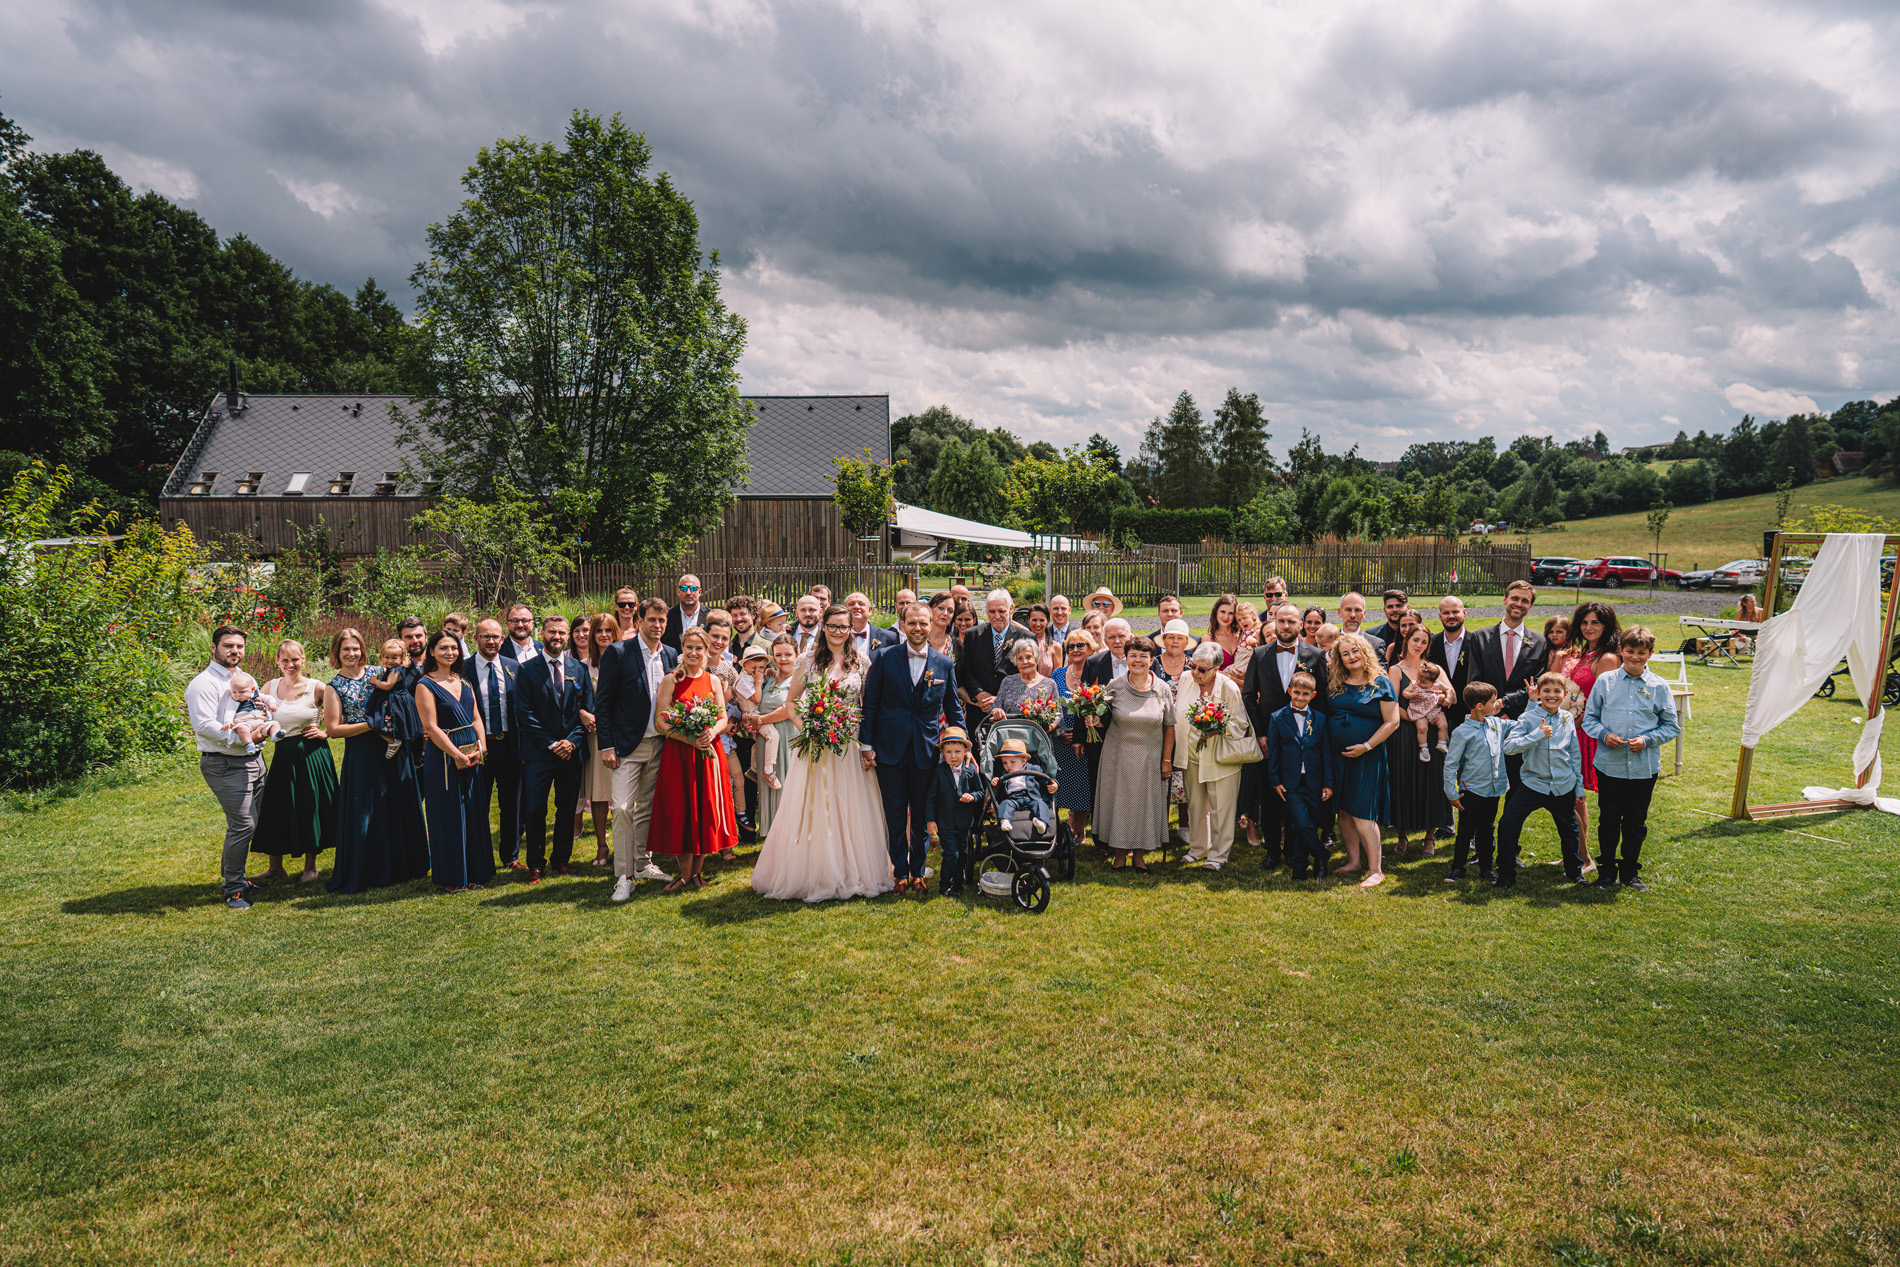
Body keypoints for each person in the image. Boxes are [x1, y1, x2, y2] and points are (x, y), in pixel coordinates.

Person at [753, 605, 899, 902]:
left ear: (850, 629)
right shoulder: (806, 660)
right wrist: (807, 728)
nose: (837, 632)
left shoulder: (862, 662)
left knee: (852, 804)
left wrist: (866, 744)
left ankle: (853, 869)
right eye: (832, 626)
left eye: (843, 627)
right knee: (816, 803)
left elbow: (868, 706)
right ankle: (814, 870)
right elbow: (792, 702)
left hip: (849, 743)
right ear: (823, 627)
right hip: (815, 744)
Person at [860, 602, 966, 893]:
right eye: (912, 623)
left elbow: (954, 709)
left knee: (921, 815)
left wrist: (964, 745)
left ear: (931, 625)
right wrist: (866, 744)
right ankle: (899, 873)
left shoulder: (944, 664)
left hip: (927, 750)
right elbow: (870, 704)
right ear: (903, 625)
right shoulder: (884, 657)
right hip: (889, 749)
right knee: (894, 815)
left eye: (923, 623)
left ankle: (918, 872)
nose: (918, 628)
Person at [1582, 626, 1679, 891]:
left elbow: (1671, 726)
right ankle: (1606, 872)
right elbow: (1590, 719)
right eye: (1629, 651)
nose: (1635, 657)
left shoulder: (1659, 686)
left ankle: (1630, 872)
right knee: (1609, 819)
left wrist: (1647, 740)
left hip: (1643, 767)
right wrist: (1604, 735)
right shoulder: (1606, 681)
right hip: (1609, 764)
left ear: (1650, 653)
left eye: (1641, 653)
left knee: (1636, 821)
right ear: (1621, 651)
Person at [596, 597, 680, 900]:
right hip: (626, 746)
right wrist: (607, 745)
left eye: (662, 620)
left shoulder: (671, 654)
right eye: (652, 620)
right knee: (621, 809)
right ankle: (624, 875)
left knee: (647, 808)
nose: (657, 625)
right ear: (640, 621)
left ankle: (643, 864)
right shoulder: (618, 652)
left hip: (660, 744)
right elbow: (603, 702)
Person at [326, 628, 421, 893]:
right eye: (346, 649)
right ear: (337, 652)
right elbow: (333, 730)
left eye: (355, 648)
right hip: (362, 753)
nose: (351, 654)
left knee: (396, 804)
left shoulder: (378, 672)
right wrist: (372, 724)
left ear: (363, 650)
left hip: (394, 747)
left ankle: (403, 866)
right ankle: (368, 869)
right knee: (365, 810)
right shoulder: (334, 686)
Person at [647, 626, 738, 889]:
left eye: (699, 648)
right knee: (681, 809)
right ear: (682, 649)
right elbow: (661, 721)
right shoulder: (671, 680)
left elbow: (722, 717)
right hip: (679, 753)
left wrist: (712, 732)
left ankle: (697, 872)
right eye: (689, 647)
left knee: (705, 809)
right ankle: (684, 873)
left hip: (708, 754)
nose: (694, 652)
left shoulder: (713, 681)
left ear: (707, 650)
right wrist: (689, 739)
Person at [187, 626, 270, 908]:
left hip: (254, 759)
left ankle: (236, 878)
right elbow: (204, 726)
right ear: (214, 648)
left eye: (239, 646)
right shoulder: (203, 683)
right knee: (243, 824)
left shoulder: (245, 679)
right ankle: (233, 889)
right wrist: (245, 738)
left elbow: (257, 707)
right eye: (228, 646)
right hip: (225, 763)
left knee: (248, 823)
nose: (235, 651)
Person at [1241, 602, 1328, 870]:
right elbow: (1248, 695)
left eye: (1291, 621)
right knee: (1269, 797)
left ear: (1300, 625)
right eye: (1281, 621)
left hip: (1301, 740)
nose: (1286, 626)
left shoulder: (1315, 655)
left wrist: (1312, 736)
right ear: (1274, 622)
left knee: (1295, 796)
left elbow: (1321, 700)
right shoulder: (1260, 654)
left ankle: (1293, 851)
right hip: (1269, 738)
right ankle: (1272, 852)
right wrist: (1260, 734)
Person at [514, 614, 593, 883]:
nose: (556, 637)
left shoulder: (578, 669)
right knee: (535, 809)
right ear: (543, 633)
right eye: (552, 632)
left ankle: (561, 859)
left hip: (571, 751)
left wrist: (572, 741)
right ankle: (536, 864)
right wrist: (551, 743)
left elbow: (587, 710)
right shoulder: (527, 670)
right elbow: (524, 713)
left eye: (561, 632)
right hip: (539, 753)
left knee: (567, 807)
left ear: (566, 635)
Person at [253, 639, 336, 885]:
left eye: (295, 659)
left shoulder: (317, 687)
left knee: (309, 805)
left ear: (303, 659)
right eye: (285, 660)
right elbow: (256, 715)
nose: (290, 664)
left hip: (311, 755)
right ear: (277, 661)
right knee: (277, 806)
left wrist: (326, 732)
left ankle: (311, 866)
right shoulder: (269, 687)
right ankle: (275, 867)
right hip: (283, 756)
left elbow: (339, 716)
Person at [415, 628, 491, 892]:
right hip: (444, 757)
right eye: (443, 648)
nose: (450, 652)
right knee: (448, 814)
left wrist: (481, 748)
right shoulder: (425, 685)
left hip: (472, 753)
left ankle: (476, 872)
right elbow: (431, 727)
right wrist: (456, 754)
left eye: (454, 648)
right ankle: (452, 877)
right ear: (432, 651)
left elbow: (476, 718)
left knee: (473, 811)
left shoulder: (465, 681)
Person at [1095, 636, 1176, 873]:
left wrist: (1166, 760)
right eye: (1133, 656)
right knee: (1119, 804)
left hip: (1150, 758)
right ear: (1126, 658)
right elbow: (1102, 716)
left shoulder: (1162, 688)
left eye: (1143, 656)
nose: (1137, 660)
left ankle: (1139, 856)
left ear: (1152, 660)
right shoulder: (1114, 686)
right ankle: (1120, 854)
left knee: (1145, 805)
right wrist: (1095, 719)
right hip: (1117, 756)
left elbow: (1170, 726)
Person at [1497, 671, 1586, 887]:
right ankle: (1506, 874)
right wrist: (1537, 734)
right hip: (1533, 784)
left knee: (1570, 830)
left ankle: (1574, 872)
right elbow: (1508, 747)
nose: (1552, 695)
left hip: (1562, 784)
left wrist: (1578, 786)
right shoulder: (1528, 718)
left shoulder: (1567, 718)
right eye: (1546, 691)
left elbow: (1574, 753)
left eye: (1557, 691)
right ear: (1539, 693)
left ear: (1565, 694)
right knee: (1507, 824)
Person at [1326, 632, 1400, 887]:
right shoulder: (1336, 681)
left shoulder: (1380, 682)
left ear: (1364, 651)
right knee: (1344, 811)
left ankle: (1376, 870)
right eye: (1345, 654)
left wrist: (1366, 746)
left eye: (1355, 651)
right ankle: (1353, 861)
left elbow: (1392, 722)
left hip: (1367, 756)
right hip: (1338, 757)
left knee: (1362, 812)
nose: (1351, 657)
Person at [1465, 581, 1549, 792]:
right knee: (1483, 781)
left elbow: (1537, 684)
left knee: (1517, 782)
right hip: (1486, 719)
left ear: (1530, 606)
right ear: (1505, 599)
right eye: (1514, 598)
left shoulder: (1539, 642)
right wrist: (1492, 709)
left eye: (1525, 601)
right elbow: (1474, 680)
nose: (1519, 604)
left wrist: (1506, 704)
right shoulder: (1480, 637)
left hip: (1520, 722)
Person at [1175, 641, 1248, 871]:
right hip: (1191, 755)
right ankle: (1198, 849)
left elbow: (1240, 724)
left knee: (1221, 808)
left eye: (1202, 669)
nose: (1195, 672)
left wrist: (1218, 728)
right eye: (1193, 666)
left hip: (1220, 757)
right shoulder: (1185, 679)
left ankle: (1218, 855)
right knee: (1196, 805)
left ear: (1216, 669)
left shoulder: (1228, 687)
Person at [1385, 625, 1454, 856]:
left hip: (1433, 732)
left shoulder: (1434, 669)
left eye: (1424, 642)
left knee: (1433, 782)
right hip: (1406, 731)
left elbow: (1452, 695)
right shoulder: (1396, 670)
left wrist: (1446, 696)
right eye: (1415, 640)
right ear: (1406, 640)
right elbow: (1393, 704)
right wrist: (1417, 718)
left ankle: (1430, 838)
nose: (1419, 645)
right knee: (1404, 781)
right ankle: (1402, 835)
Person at [462, 619, 523, 873]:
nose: (491, 641)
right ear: (475, 638)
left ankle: (510, 856)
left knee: (511, 804)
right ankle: (478, 857)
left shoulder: (513, 667)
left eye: (496, 637)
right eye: (485, 636)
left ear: (502, 639)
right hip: (477, 746)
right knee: (477, 803)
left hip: (508, 744)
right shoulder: (463, 669)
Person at [1566, 600, 1623, 871]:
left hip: (1588, 733)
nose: (1588, 627)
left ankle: (1585, 858)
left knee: (1574, 795)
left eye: (1595, 623)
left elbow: (1605, 704)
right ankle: (1578, 854)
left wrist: (1575, 721)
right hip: (1574, 729)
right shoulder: (1588, 653)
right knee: (1575, 798)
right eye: (1584, 622)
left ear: (1606, 625)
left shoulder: (1607, 658)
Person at [1267, 669, 1334, 879]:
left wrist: (1328, 783)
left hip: (1314, 780)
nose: (1300, 697)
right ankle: (1321, 854)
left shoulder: (1320, 719)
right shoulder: (1277, 717)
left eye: (1305, 694)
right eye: (1296, 693)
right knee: (1301, 822)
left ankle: (1299, 865)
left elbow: (1326, 753)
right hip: (1290, 782)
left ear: (1313, 695)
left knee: (1304, 824)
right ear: (1290, 691)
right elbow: (1273, 752)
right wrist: (1275, 780)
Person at [1441, 682, 1507, 882]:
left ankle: (1486, 869)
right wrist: (1452, 794)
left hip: (1493, 790)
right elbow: (1450, 765)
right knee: (1466, 831)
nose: (1496, 705)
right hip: (1471, 791)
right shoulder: (1462, 732)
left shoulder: (1496, 724)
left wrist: (1532, 702)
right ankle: (1457, 868)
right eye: (1493, 702)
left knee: (1487, 830)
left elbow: (1519, 725)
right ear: (1479, 706)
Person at [575, 613, 620, 868]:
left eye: (608, 630)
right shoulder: (583, 666)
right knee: (600, 794)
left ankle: (625, 844)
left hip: (623, 735)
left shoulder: (626, 660)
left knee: (625, 796)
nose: (604, 635)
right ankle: (602, 845)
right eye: (599, 631)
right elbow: (573, 700)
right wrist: (582, 712)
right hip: (596, 738)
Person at [1050, 629, 1097, 850]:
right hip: (1061, 740)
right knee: (1059, 785)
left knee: (1083, 786)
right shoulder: (1058, 674)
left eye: (1080, 645)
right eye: (1071, 646)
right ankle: (1055, 829)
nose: (1075, 650)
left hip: (1088, 741)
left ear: (1091, 648)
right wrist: (1060, 731)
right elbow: (1050, 704)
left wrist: (1081, 735)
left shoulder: (1095, 673)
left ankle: (1079, 830)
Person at [748, 636, 799, 835]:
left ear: (797, 655)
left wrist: (760, 721)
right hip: (766, 741)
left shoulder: (799, 681)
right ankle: (770, 835)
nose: (783, 659)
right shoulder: (768, 678)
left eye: (788, 654)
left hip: (788, 739)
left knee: (787, 785)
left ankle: (788, 835)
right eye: (778, 655)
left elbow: (788, 710)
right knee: (767, 786)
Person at [926, 726, 985, 896]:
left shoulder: (971, 770)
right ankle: (945, 886)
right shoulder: (939, 772)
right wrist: (931, 820)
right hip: (945, 822)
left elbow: (980, 792)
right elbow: (931, 797)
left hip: (964, 822)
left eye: (957, 752)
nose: (953, 756)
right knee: (951, 853)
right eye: (948, 752)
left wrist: (972, 796)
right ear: (942, 752)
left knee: (962, 854)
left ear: (966, 751)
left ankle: (957, 884)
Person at [959, 589, 1033, 716]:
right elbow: (965, 670)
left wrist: (1000, 699)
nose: (997, 616)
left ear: (1010, 609)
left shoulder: (1026, 637)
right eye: (992, 611)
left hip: (1012, 712)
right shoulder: (973, 635)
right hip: (979, 709)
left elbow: (1030, 676)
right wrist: (979, 693)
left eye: (1001, 611)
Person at [991, 738, 1057, 839]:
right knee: (1005, 804)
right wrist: (995, 781)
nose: (1008, 766)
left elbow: (1045, 779)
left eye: (1012, 762)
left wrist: (1054, 784)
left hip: (1032, 797)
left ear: (1024, 761)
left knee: (1041, 804)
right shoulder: (1002, 772)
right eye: (1004, 763)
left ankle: (1042, 823)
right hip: (1012, 798)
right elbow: (998, 785)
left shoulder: (1034, 768)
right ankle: (1004, 821)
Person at [1428, 596, 1474, 731]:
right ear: (1440, 616)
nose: (1451, 616)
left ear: (1464, 612)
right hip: (1437, 717)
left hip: (1469, 716)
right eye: (1446, 613)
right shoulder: (1431, 644)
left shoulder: (1476, 643)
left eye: (1455, 612)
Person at [993, 635, 1057, 724]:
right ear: (1015, 662)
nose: (1025, 662)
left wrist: (1045, 730)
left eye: (1028, 657)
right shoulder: (1008, 682)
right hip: (1010, 731)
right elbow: (994, 709)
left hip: (1039, 732)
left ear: (1036, 658)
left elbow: (1058, 717)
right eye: (1020, 658)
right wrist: (996, 712)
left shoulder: (1049, 684)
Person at [219, 671, 277, 752]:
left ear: (252, 689)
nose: (238, 695)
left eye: (242, 692)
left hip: (260, 721)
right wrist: (228, 721)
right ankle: (249, 745)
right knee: (242, 729)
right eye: (234, 692)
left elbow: (268, 698)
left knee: (275, 724)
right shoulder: (233, 700)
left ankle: (275, 735)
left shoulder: (256, 695)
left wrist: (272, 703)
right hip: (245, 722)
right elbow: (229, 710)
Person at [1405, 661, 1452, 755]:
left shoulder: (1437, 684)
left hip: (1434, 709)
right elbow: (1405, 692)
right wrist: (1411, 695)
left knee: (1443, 725)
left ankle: (1442, 743)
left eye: (1423, 682)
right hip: (1419, 711)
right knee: (1422, 728)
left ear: (1433, 682)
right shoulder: (1415, 684)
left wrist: (1448, 697)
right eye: (1418, 678)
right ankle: (1423, 748)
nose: (1419, 682)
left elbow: (1448, 689)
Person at [844, 591, 899, 662]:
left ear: (870, 611)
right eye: (851, 604)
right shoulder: (837, 636)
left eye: (861, 604)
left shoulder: (888, 637)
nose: (856, 607)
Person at [662, 574, 706, 651]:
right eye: (683, 588)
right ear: (678, 591)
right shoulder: (667, 617)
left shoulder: (710, 617)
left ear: (699, 592)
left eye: (693, 588)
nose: (688, 592)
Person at [1206, 594, 1244, 669]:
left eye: (1230, 613)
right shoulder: (1208, 639)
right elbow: (1208, 670)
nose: (1226, 617)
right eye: (1223, 612)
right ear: (1216, 612)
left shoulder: (1242, 634)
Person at [1022, 603, 1059, 676]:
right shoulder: (1021, 644)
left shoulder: (1055, 647)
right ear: (1029, 620)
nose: (1038, 624)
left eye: (1041, 620)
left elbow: (1057, 677)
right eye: (1034, 620)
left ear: (1047, 621)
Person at [1154, 618, 1194, 683]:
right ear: (1164, 640)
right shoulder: (1153, 663)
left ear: (1186, 642)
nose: (1175, 641)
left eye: (1180, 638)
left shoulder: (1193, 665)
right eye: (1171, 637)